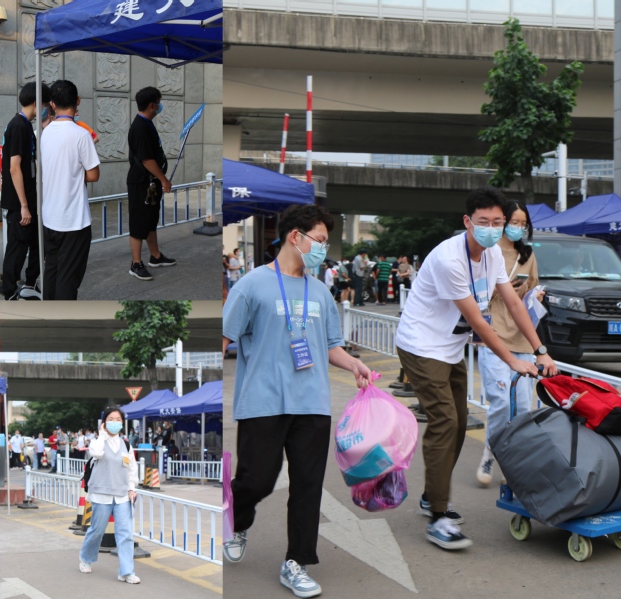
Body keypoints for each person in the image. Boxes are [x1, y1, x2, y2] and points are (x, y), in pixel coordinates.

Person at [222, 204, 372, 598]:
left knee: (308, 485)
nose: (323, 248)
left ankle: (297, 562)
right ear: (295, 237)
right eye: (319, 240)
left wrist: (353, 364)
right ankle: (236, 520)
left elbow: (331, 345)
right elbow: (224, 338)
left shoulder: (320, 291)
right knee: (257, 480)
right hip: (263, 402)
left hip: (312, 404)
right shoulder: (250, 286)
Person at [394, 187, 557, 551]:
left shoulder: (493, 254)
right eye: (484, 221)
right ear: (467, 221)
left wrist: (540, 350)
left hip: (450, 346)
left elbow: (514, 303)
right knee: (445, 422)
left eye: (498, 222)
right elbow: (479, 322)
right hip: (421, 345)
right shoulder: (448, 259)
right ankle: (438, 516)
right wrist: (513, 360)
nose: (492, 228)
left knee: (458, 422)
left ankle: (431, 495)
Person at [476, 201, 544, 486]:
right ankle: (490, 452)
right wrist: (500, 290)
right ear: (503, 221)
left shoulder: (527, 255)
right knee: (501, 402)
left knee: (523, 408)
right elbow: (474, 293)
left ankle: (513, 462)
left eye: (523, 224)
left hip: (522, 339)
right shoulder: (486, 252)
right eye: (514, 222)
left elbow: (534, 287)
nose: (518, 228)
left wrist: (534, 295)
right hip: (493, 336)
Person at [40, 79, 101, 300]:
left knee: (52, 270)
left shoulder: (45, 132)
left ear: (52, 104)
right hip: (74, 221)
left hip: (50, 217)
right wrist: (74, 172)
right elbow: (93, 174)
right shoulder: (81, 134)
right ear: (78, 101)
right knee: (68, 278)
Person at [78, 408, 140, 583]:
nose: (114, 422)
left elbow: (131, 468)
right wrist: (102, 435)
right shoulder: (97, 442)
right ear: (104, 423)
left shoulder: (126, 445)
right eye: (111, 419)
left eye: (118, 419)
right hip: (101, 494)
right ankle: (86, 558)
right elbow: (96, 453)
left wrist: (132, 488)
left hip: (122, 495)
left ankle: (126, 572)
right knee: (97, 530)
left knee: (125, 533)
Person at [1, 82, 51, 301]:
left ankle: (30, 283)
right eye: (45, 103)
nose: (46, 108)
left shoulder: (26, 125)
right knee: (17, 248)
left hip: (29, 198)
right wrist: (23, 206)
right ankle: (10, 292)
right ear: (36, 102)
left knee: (37, 243)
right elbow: (14, 168)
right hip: (19, 202)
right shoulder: (19, 126)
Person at [126, 86, 176, 281]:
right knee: (138, 222)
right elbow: (147, 160)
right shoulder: (140, 128)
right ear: (151, 105)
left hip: (150, 183)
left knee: (150, 220)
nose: (160, 106)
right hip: (141, 183)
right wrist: (164, 179)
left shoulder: (147, 124)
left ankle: (155, 256)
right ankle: (135, 264)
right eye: (158, 103)